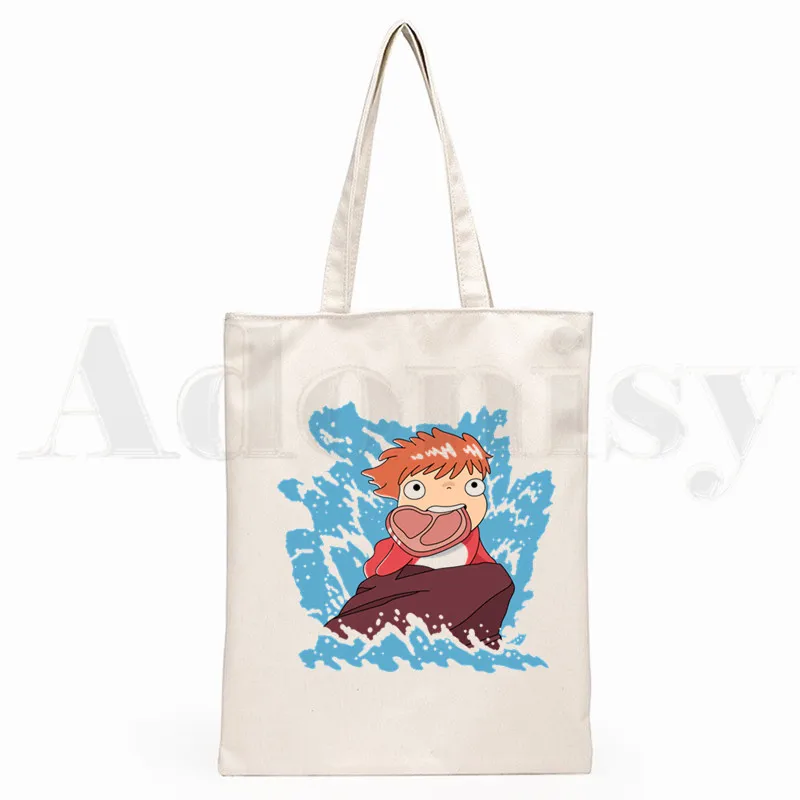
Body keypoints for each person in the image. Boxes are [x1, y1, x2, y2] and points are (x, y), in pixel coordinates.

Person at [325, 428, 514, 648]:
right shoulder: (396, 546)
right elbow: (377, 576)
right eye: (417, 488)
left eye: (472, 486)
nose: (448, 493)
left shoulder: (487, 572)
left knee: (496, 580)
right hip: (397, 600)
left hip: (457, 615)